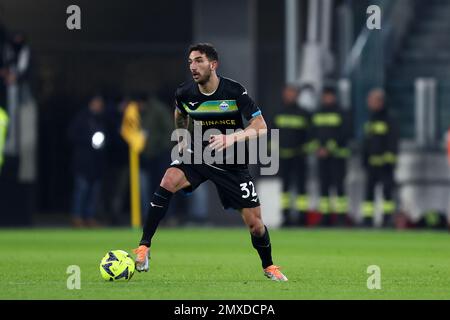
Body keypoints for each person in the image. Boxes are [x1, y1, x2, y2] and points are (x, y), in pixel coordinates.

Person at [133, 43, 288, 281]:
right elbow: (180, 113)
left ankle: (269, 266)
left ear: (213, 65)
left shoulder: (234, 91)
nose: (193, 67)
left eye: (199, 61)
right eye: (190, 62)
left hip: (233, 163)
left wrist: (232, 138)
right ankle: (144, 246)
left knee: (255, 225)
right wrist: (182, 138)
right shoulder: (185, 93)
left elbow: (261, 126)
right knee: (168, 179)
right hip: (200, 155)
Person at [310, 85, 352, 227]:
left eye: (330, 95)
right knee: (324, 186)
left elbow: (345, 133)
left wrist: (328, 148)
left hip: (337, 157)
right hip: (322, 157)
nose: (327, 98)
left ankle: (341, 217)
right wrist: (317, 148)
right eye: (325, 95)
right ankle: (326, 217)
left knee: (339, 186)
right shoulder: (317, 113)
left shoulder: (342, 112)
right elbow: (313, 133)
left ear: (334, 96)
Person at [274, 84, 311, 227]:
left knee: (301, 187)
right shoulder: (278, 113)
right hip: (283, 156)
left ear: (297, 95)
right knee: (285, 188)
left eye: (292, 93)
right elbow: (272, 133)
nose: (289, 96)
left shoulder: (304, 113)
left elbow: (310, 136)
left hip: (299, 156)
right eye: (287, 93)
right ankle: (286, 216)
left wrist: (304, 149)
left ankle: (302, 218)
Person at [68, 94, 107, 228]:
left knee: (93, 193)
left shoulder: (101, 119)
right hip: (83, 163)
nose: (99, 106)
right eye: (97, 103)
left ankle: (89, 217)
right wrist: (89, 139)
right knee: (82, 191)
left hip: (96, 164)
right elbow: (72, 135)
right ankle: (77, 217)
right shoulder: (82, 118)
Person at [362, 88, 398, 228]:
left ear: (381, 102)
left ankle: (387, 219)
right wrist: (364, 160)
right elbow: (366, 143)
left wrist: (389, 160)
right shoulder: (370, 120)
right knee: (368, 193)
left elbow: (392, 141)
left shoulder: (389, 119)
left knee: (387, 193)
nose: (370, 103)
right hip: (371, 164)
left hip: (385, 164)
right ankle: (367, 219)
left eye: (373, 100)